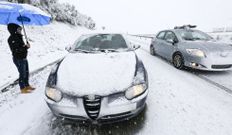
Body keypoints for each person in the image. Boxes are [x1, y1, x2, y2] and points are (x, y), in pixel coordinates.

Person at [7, 23, 35, 94]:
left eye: (21, 29)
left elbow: (21, 47)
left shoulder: (19, 37)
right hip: (18, 59)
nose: (21, 30)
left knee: (26, 72)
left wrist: (26, 46)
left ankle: (27, 85)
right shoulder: (11, 39)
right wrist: (25, 47)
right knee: (22, 74)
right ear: (14, 30)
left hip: (23, 57)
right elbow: (16, 50)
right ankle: (22, 88)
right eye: (19, 29)